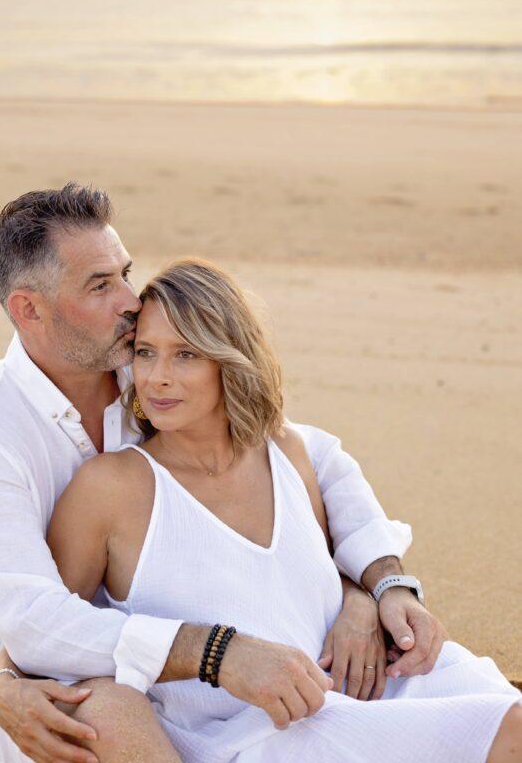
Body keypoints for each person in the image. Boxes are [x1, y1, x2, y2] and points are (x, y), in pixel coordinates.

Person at [0, 184, 444, 763]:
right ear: (29, 309)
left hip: (212, 674)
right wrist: (215, 652)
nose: (131, 299)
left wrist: (370, 585)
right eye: (100, 286)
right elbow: (32, 622)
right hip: (52, 685)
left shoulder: (146, 363)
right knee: (102, 713)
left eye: (124, 273)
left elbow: (315, 458)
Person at [44, 257, 522, 763]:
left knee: (509, 719)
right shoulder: (110, 487)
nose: (157, 378)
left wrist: (364, 598)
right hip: (260, 730)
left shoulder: (286, 451)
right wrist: (7, 683)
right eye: (145, 352)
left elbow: (306, 574)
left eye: (185, 354)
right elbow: (45, 625)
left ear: (229, 360)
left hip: (370, 686)